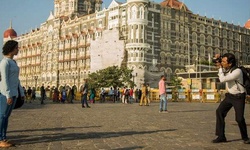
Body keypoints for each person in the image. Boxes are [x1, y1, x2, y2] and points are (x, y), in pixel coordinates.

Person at [212, 53, 250, 144]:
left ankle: (245, 137)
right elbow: (217, 62)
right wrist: (218, 59)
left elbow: (223, 79)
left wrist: (220, 68)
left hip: (238, 97)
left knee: (239, 118)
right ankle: (221, 136)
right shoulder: (228, 69)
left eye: (224, 62)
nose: (222, 63)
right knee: (219, 112)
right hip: (229, 96)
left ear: (230, 63)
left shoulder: (237, 72)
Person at [0, 40, 25, 148]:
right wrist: (8, 94)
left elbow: (16, 79)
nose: (17, 49)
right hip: (5, 94)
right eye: (16, 48)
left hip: (14, 93)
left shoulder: (13, 62)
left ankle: (4, 137)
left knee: (6, 116)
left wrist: (21, 92)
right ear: (10, 49)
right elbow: (4, 80)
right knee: (2, 116)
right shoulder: (4, 62)